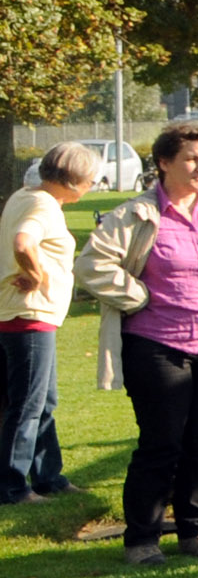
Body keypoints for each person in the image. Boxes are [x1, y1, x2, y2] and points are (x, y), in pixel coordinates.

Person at [75, 124, 198, 564]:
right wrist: (138, 297)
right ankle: (142, 540)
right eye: (192, 159)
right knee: (161, 443)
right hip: (157, 345)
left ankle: (197, 532)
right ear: (163, 163)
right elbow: (90, 265)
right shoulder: (135, 214)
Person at [1, 143, 99, 504]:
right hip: (29, 317)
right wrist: (37, 276)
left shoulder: (24, 196)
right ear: (73, 181)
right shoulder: (43, 205)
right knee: (27, 404)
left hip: (24, 315)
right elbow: (22, 243)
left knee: (43, 400)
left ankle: (49, 477)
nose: (90, 187)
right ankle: (12, 487)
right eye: (90, 181)